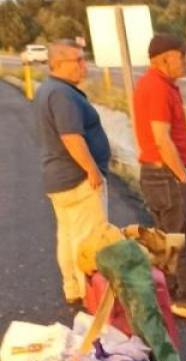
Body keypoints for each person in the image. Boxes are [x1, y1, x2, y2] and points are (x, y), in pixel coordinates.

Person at [133, 33, 186, 325]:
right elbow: (162, 138)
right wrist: (182, 177)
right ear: (165, 59)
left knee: (165, 239)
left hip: (152, 173)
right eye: (182, 56)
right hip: (166, 173)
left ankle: (169, 292)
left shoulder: (153, 84)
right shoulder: (158, 88)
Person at [33, 41, 111, 306]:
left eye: (83, 59)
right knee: (90, 239)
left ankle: (73, 288)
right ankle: (91, 296)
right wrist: (92, 170)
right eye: (77, 60)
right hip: (78, 179)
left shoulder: (48, 89)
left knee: (67, 235)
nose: (83, 65)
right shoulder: (62, 94)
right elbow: (71, 137)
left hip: (58, 178)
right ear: (58, 63)